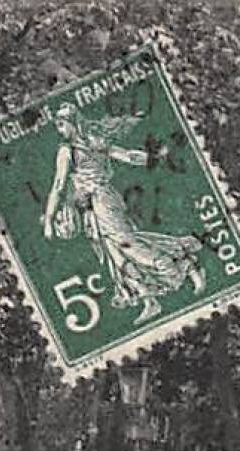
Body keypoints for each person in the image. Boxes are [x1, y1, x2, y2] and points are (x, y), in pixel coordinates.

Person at [40, 103, 205, 325]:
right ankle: (149, 300)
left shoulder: (68, 150)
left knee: (130, 245)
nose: (60, 130)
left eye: (61, 125)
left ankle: (185, 265)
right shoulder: (94, 141)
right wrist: (154, 158)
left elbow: (58, 186)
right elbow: (128, 156)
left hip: (102, 202)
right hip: (95, 207)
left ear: (72, 123)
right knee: (115, 256)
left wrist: (49, 220)